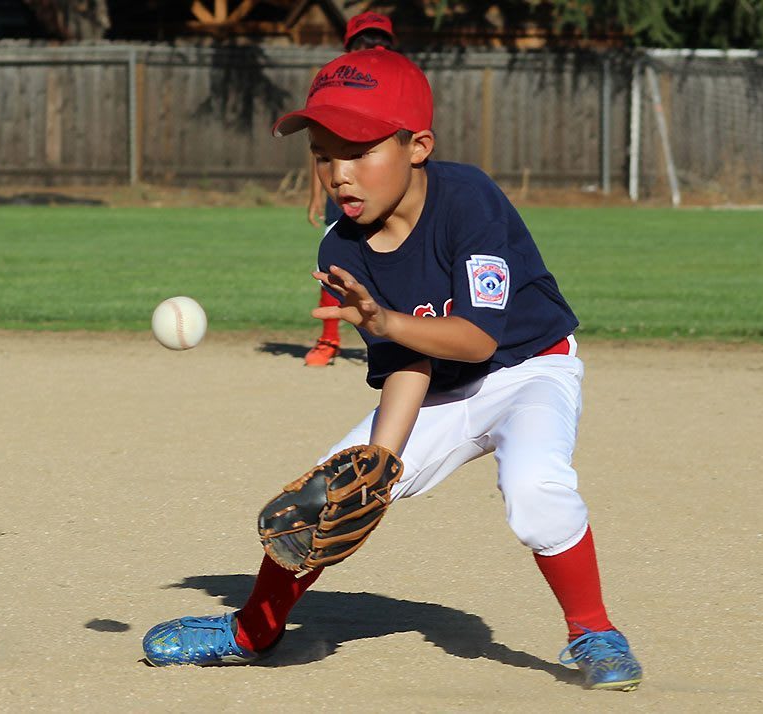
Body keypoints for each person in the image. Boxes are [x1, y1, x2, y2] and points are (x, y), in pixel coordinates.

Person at [141, 48, 644, 692]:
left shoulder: (470, 201)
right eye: (324, 153)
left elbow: (479, 340)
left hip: (529, 372)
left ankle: (592, 629)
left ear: (418, 146)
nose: (338, 172)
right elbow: (411, 360)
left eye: (359, 149)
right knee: (328, 494)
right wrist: (378, 463)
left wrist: (382, 323)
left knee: (536, 491)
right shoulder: (342, 247)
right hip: (434, 380)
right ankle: (253, 630)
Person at [303, 12, 398, 367]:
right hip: (344, 186)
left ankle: (408, 335)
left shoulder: (401, 84)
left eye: (381, 42)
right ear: (348, 47)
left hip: (387, 188)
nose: (373, 48)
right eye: (364, 42)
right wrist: (316, 195)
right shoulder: (332, 86)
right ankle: (328, 340)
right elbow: (322, 147)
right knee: (335, 264)